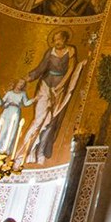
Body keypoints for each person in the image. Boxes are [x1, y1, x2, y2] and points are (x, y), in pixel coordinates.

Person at [19, 30, 80, 164]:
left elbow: (71, 69)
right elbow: (41, 68)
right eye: (55, 39)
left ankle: (40, 152)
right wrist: (27, 78)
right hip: (45, 85)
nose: (57, 42)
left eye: (59, 39)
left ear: (65, 39)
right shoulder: (50, 52)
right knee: (39, 119)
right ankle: (25, 151)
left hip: (59, 88)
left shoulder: (70, 51)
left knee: (51, 121)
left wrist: (60, 86)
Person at [0, 79, 34, 157]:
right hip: (7, 111)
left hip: (15, 112)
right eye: (20, 82)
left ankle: (6, 149)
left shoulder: (23, 94)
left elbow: (26, 103)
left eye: (23, 83)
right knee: (3, 128)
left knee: (11, 130)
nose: (21, 84)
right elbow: (0, 103)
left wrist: (34, 99)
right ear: (16, 83)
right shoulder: (9, 93)